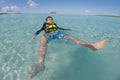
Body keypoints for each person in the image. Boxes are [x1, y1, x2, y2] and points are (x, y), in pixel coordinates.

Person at [28, 16, 107, 79]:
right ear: (46, 21)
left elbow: (60, 28)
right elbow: (40, 30)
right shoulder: (45, 25)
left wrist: (69, 29)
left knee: (71, 37)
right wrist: (35, 34)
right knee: (43, 38)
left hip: (58, 33)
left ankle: (92, 46)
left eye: (51, 19)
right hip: (49, 34)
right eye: (49, 20)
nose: (50, 20)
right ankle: (40, 65)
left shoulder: (55, 24)